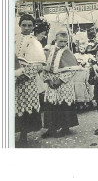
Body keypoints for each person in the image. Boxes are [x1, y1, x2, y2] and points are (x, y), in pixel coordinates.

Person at [15, 14, 46, 145]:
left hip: (28, 81)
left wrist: (24, 73)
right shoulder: (13, 40)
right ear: (19, 25)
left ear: (33, 27)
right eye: (24, 25)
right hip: (13, 81)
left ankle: (24, 135)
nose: (27, 28)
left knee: (26, 108)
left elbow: (40, 65)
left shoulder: (36, 43)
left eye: (29, 25)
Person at [42, 31, 80, 138]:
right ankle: (51, 128)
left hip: (64, 82)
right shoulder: (49, 50)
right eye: (60, 41)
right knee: (50, 105)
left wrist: (60, 80)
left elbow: (72, 69)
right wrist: (48, 80)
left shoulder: (68, 52)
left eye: (65, 41)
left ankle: (65, 127)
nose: (63, 44)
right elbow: (45, 67)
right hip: (51, 81)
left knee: (64, 105)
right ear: (55, 40)